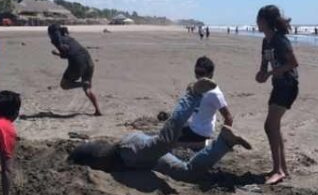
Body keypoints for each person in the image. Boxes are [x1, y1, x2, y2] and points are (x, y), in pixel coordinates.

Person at [70, 79, 251, 181]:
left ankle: (192, 95)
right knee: (187, 172)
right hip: (144, 160)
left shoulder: (87, 155)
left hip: (130, 151)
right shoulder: (91, 154)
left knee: (165, 141)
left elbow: (84, 155)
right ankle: (225, 141)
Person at [255, 5, 299, 185]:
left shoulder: (280, 40)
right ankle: (282, 168)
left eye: (258, 19)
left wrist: (272, 73)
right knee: (274, 127)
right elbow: (263, 67)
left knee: (270, 126)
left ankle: (278, 170)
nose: (256, 22)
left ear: (265, 21)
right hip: (278, 86)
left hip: (288, 86)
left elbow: (293, 63)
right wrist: (261, 75)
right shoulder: (266, 42)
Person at [177, 57, 234, 147]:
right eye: (196, 72)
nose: (198, 76)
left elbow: (228, 117)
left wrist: (223, 138)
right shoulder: (195, 87)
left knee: (171, 144)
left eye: (201, 73)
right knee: (168, 134)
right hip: (192, 126)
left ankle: (206, 144)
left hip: (201, 132)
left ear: (210, 74)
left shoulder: (214, 93)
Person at [48, 24, 103, 116]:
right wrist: (59, 54)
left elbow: (66, 51)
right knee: (87, 89)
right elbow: (70, 51)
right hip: (88, 61)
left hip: (77, 63)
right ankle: (98, 110)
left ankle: (82, 83)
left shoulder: (56, 40)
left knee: (64, 85)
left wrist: (57, 53)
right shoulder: (69, 38)